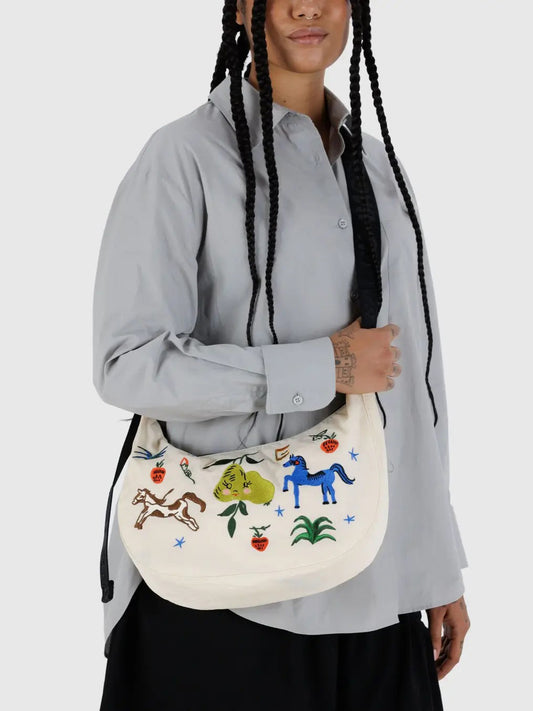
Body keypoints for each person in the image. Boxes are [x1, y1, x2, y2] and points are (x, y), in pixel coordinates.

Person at [93, 1, 471, 709]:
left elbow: (416, 377)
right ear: (242, 6)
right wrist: (324, 367)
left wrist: (435, 561)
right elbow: (128, 362)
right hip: (224, 592)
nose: (306, 6)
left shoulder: (376, 165)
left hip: (377, 586)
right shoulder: (184, 157)